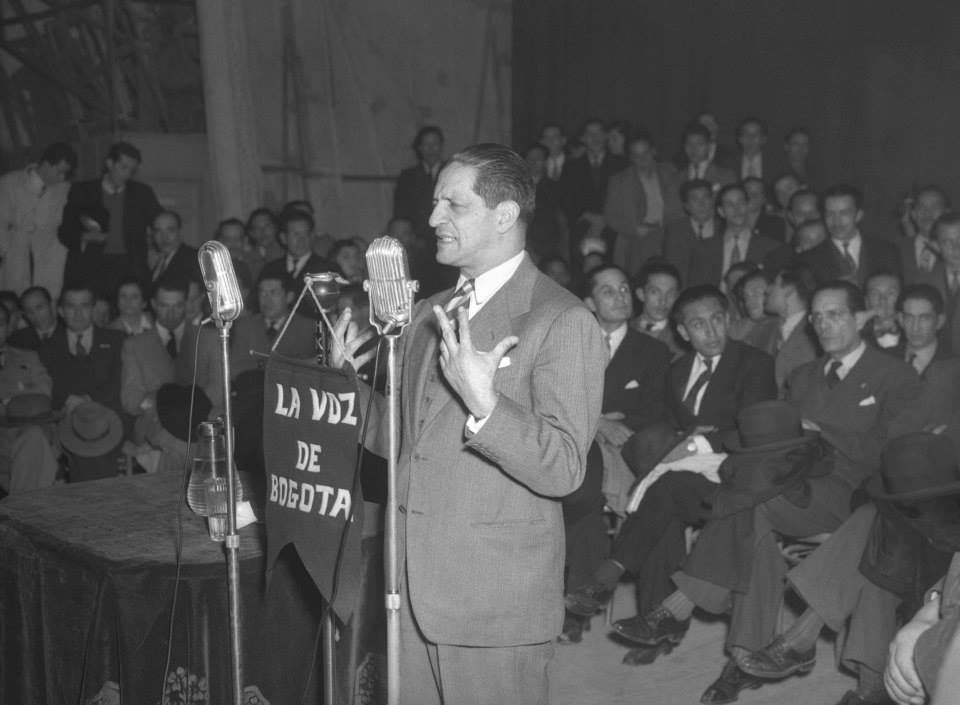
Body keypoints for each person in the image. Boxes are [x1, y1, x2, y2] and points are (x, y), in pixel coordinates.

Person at [332, 143, 606, 704]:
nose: (433, 219)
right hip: (410, 590)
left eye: (453, 205)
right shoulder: (428, 315)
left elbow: (564, 469)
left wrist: (487, 407)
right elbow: (407, 440)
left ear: (504, 216)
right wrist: (347, 392)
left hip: (491, 601)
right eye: (435, 204)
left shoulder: (563, 319)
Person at [628, 280, 922, 704]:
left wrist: (824, 432)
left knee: (752, 504)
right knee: (753, 516)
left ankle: (679, 608)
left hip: (861, 495)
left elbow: (898, 454)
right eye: (817, 316)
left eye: (835, 314)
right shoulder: (802, 378)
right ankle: (746, 656)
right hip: (797, 487)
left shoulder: (895, 374)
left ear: (862, 318)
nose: (822, 324)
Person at [58, 141, 162, 296]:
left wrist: (156, 246)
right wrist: (87, 236)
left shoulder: (143, 194)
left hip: (130, 272)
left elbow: (161, 223)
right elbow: (65, 232)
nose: (127, 175)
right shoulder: (82, 191)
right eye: (123, 168)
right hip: (89, 271)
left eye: (132, 171)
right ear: (109, 163)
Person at [0, 141, 76, 296]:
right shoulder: (10, 183)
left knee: (48, 296)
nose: (62, 177)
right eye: (60, 171)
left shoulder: (65, 189)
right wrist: (5, 251)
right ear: (47, 164)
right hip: (17, 251)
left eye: (66, 174)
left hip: (50, 253)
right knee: (15, 297)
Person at [37, 283, 125, 414]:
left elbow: (121, 379)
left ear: (93, 309)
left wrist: (88, 399)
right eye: (71, 306)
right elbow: (45, 386)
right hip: (66, 418)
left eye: (85, 306)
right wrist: (66, 401)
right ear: (60, 311)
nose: (78, 314)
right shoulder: (46, 348)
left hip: (109, 419)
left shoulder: (117, 341)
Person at [603, 132, 682, 273]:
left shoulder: (670, 171)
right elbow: (610, 215)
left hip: (668, 232)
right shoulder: (619, 180)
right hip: (636, 238)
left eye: (646, 153)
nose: (642, 159)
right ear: (630, 157)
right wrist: (634, 229)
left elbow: (681, 205)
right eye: (636, 155)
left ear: (654, 151)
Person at [799, 184, 901, 286]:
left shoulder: (886, 251)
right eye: (830, 214)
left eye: (844, 213)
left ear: (858, 215)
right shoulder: (809, 259)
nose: (836, 221)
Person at [662, 179, 720, 285]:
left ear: (712, 201)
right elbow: (673, 268)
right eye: (695, 199)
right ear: (686, 206)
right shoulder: (675, 230)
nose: (701, 204)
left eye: (705, 198)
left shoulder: (723, 228)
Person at [898, 186, 950, 285]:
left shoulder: (955, 249)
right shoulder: (896, 249)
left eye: (935, 207)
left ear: (946, 213)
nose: (927, 212)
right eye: (921, 207)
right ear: (913, 214)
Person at [630, 260, 683, 356]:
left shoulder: (682, 340)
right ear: (641, 294)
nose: (663, 301)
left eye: (671, 294)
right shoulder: (624, 329)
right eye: (655, 292)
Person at [148, 210, 201, 285]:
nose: (163, 237)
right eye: (157, 231)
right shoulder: (160, 262)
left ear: (180, 232)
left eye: (170, 230)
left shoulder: (193, 259)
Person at [9, 286, 60, 350]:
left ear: (52, 305)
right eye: (29, 311)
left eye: (39, 307)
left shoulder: (70, 334)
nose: (35, 315)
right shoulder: (17, 338)